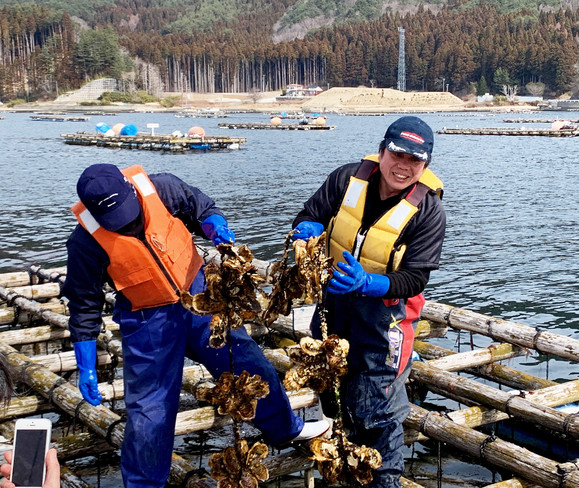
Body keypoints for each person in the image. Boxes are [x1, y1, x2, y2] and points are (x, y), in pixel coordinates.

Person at [62, 164, 329, 488]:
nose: (126, 222)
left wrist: (215, 226)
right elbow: (83, 302)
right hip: (147, 321)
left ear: (131, 190)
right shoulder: (84, 243)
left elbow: (200, 207)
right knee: (149, 412)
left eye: (127, 211)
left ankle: (286, 428)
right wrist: (86, 361)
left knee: (248, 364)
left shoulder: (162, 188)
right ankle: (144, 484)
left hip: (199, 292)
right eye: (114, 219)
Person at [291, 116, 446, 488]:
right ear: (381, 152)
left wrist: (368, 282)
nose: (404, 166)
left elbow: (415, 278)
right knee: (332, 392)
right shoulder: (346, 180)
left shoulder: (428, 212)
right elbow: (310, 215)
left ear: (425, 166)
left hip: (386, 318)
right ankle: (340, 470)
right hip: (334, 308)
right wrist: (307, 229)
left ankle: (384, 481)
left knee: (377, 411)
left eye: (415, 160)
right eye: (398, 154)